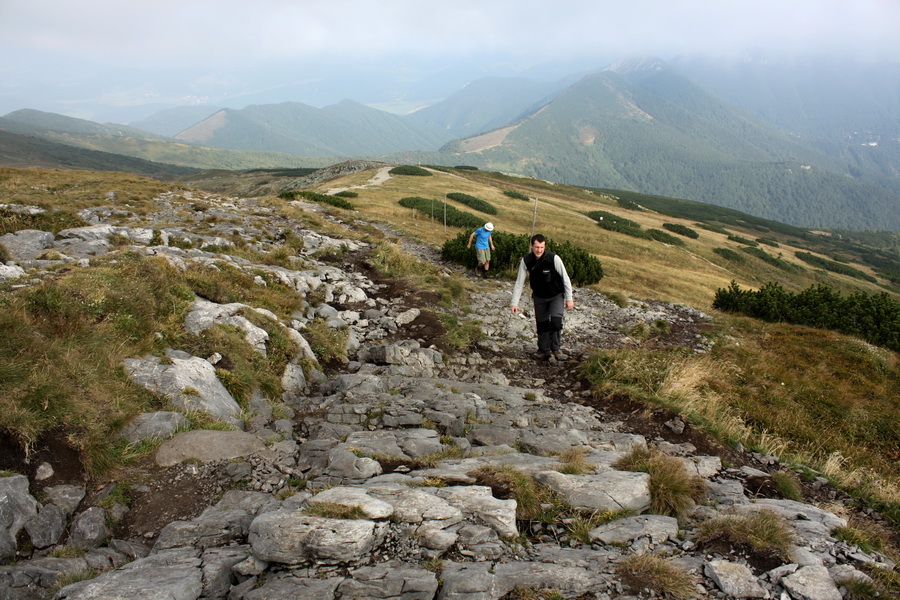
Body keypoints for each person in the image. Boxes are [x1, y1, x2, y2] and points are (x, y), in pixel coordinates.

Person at [510, 234, 575, 360]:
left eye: (541, 247)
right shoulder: (526, 261)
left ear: (545, 246)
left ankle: (556, 349)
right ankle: (543, 350)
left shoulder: (554, 258)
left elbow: (565, 278)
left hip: (556, 295)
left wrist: (569, 298)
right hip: (539, 296)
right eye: (536, 247)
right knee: (542, 323)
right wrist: (514, 303)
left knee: (556, 322)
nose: (539, 250)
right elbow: (519, 282)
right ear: (531, 246)